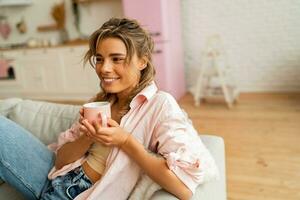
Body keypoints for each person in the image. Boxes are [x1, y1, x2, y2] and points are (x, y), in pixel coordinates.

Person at [0, 18, 218, 200]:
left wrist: (125, 141)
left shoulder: (160, 105)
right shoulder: (101, 103)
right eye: (99, 59)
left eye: (117, 59)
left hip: (72, 193)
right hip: (53, 176)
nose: (104, 68)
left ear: (142, 61)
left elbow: (184, 188)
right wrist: (87, 137)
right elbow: (60, 160)